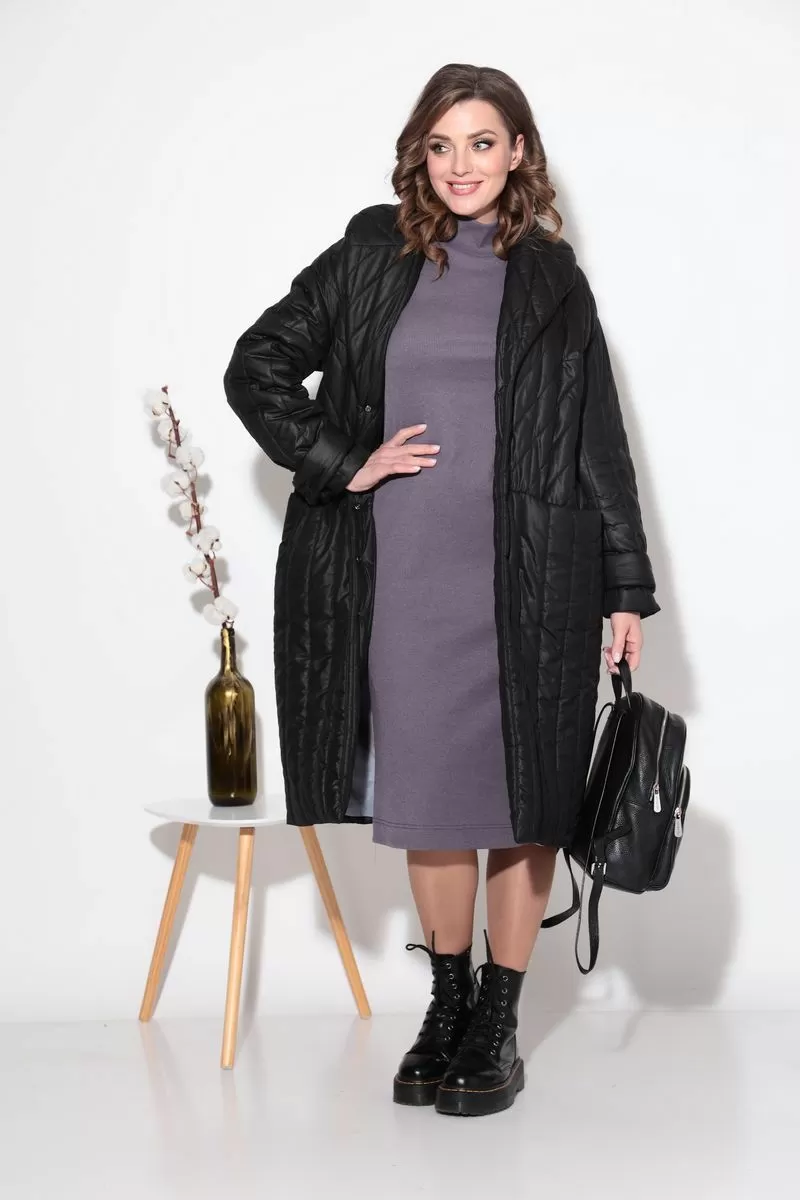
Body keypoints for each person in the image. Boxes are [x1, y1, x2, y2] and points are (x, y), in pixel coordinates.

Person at [223, 62, 660, 1118]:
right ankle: (448, 1000)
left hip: (536, 577)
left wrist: (624, 588)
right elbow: (256, 366)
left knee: (525, 800)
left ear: (518, 152)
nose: (460, 164)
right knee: (431, 801)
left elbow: (597, 444)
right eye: (440, 144)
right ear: (418, 155)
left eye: (481, 142)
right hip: (405, 577)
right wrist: (344, 460)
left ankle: (497, 1019)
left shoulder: (552, 280)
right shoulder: (370, 255)